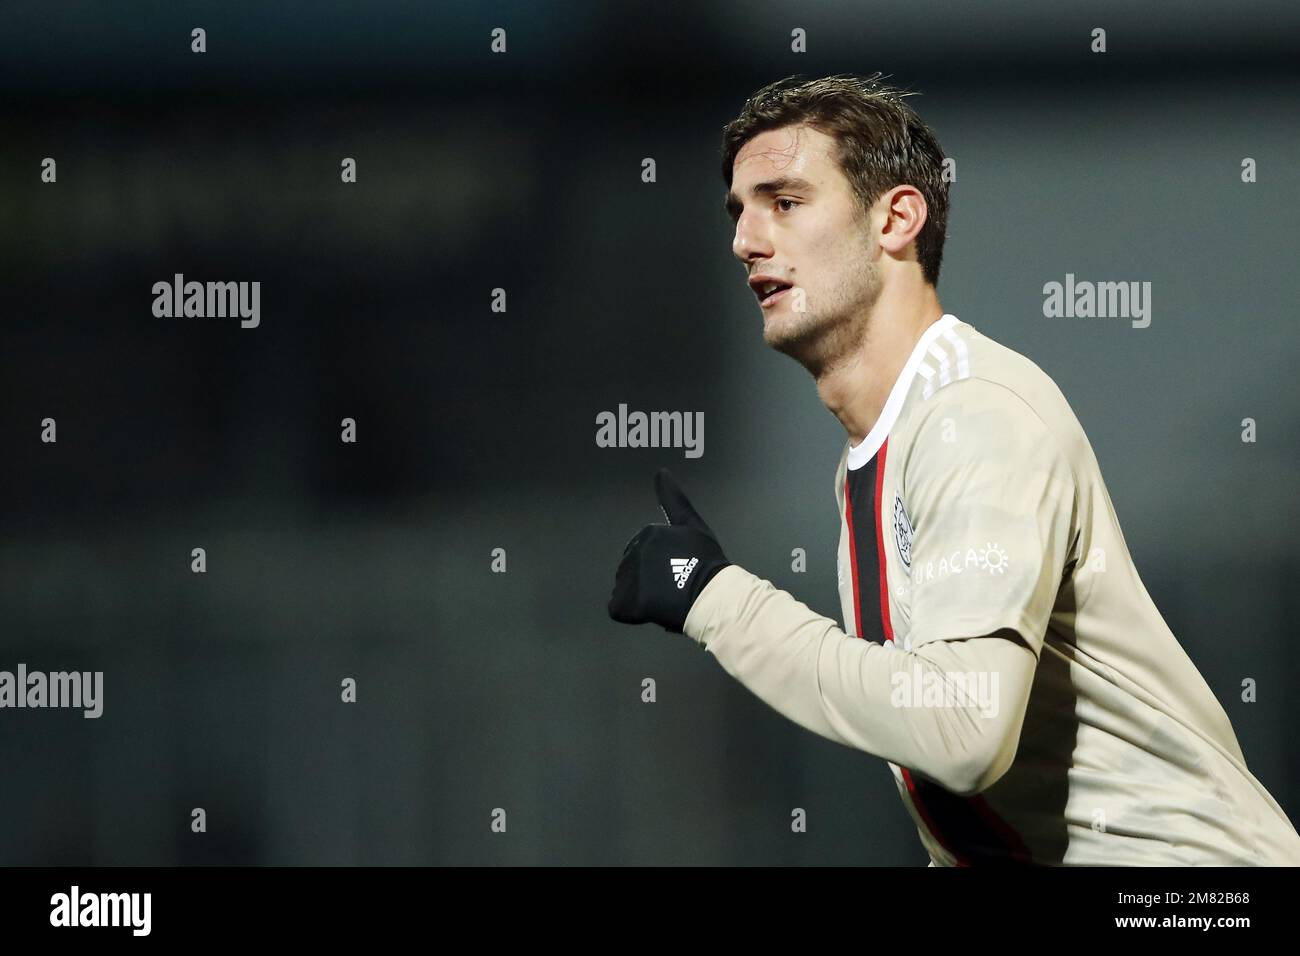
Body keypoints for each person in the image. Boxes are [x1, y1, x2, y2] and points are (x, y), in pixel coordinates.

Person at [607, 74, 1300, 866]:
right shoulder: (885, 446)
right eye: (740, 211)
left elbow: (964, 730)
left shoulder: (974, 415)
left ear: (896, 218)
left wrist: (716, 599)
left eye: (785, 202)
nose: (746, 239)